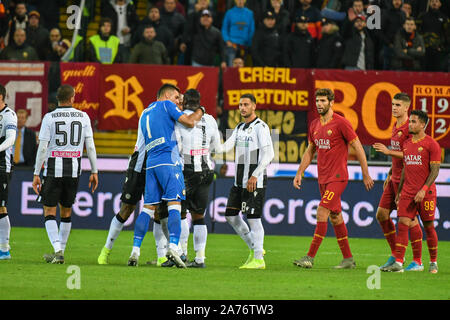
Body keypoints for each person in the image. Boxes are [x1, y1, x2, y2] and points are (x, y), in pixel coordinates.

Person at [292, 88, 374, 269]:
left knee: (322, 212)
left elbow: (358, 147)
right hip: (323, 178)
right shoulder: (314, 125)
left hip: (338, 178)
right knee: (335, 217)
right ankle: (348, 259)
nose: (319, 104)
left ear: (331, 102)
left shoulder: (341, 123)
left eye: (323, 101)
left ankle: (309, 258)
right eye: (317, 101)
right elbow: (310, 150)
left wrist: (365, 173)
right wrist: (300, 172)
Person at [127, 83, 205, 268]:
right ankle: (173, 247)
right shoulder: (166, 105)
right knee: (175, 206)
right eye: (177, 98)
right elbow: (190, 122)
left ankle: (135, 251)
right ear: (168, 95)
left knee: (147, 208)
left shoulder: (145, 112)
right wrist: (201, 110)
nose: (179, 102)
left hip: (151, 163)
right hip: (169, 162)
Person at [32, 85, 98, 264]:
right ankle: (60, 250)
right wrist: (94, 170)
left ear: (57, 99)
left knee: (49, 210)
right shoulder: (83, 117)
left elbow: (43, 147)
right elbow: (90, 146)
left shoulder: (49, 117)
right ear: (72, 98)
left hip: (54, 169)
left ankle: (58, 250)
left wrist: (36, 173)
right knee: (66, 211)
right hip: (74, 170)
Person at [218, 93, 274, 269]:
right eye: (240, 105)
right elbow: (225, 147)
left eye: (246, 104)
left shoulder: (260, 127)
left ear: (254, 106)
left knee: (253, 219)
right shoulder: (240, 127)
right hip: (239, 182)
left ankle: (258, 260)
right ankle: (256, 248)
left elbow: (269, 154)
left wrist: (255, 175)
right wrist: (207, 143)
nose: (242, 108)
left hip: (254, 181)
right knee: (230, 216)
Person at [382, 110, 441, 274]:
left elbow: (435, 171)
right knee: (402, 223)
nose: (410, 124)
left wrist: (424, 189)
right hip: (407, 191)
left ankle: (433, 262)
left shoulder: (431, 144)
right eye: (410, 122)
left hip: (425, 193)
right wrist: (399, 191)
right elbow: (405, 169)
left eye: (414, 122)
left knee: (429, 227)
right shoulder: (406, 144)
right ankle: (399, 263)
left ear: (423, 124)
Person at [372, 93, 423, 271]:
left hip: (407, 179)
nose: (394, 107)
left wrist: (387, 152)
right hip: (394, 177)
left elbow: (412, 154)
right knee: (381, 214)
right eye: (393, 104)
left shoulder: (411, 128)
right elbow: (398, 155)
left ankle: (417, 261)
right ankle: (395, 253)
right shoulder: (396, 125)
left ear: (406, 108)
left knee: (410, 220)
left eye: (398, 105)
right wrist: (389, 172)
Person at [173, 89, 223, 268]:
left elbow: (176, 145)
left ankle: (182, 254)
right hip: (206, 170)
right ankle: (200, 258)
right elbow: (217, 146)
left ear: (185, 101)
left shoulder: (179, 118)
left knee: (180, 214)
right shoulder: (209, 119)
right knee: (199, 216)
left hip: (185, 170)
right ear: (199, 102)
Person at [0, 84, 17, 260]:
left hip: (1, 166)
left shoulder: (9, 115)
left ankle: (4, 249)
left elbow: (11, 139)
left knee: (1, 207)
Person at [416, 0, 449, 72]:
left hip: (438, 50)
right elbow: (417, 32)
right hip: (424, 49)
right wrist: (418, 45)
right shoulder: (422, 16)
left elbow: (447, 35)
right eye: (432, 1)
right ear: (429, 3)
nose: (434, 3)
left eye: (436, 1)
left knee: (437, 72)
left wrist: (443, 47)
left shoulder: (444, 18)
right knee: (423, 71)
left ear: (440, 4)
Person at [221, 0, 255, 66]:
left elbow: (251, 30)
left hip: (244, 45)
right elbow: (224, 29)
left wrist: (248, 43)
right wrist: (227, 41)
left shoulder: (250, 13)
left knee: (242, 68)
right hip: (232, 45)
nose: (240, 1)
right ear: (235, 1)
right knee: (231, 67)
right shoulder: (229, 13)